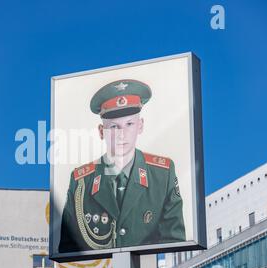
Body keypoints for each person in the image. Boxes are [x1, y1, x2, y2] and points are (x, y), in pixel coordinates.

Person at [59, 79, 185, 253]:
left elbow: (175, 245)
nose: (121, 134)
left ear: (140, 126)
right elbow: (69, 249)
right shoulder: (81, 181)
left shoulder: (163, 175)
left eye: (129, 124)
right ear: (101, 131)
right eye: (114, 127)